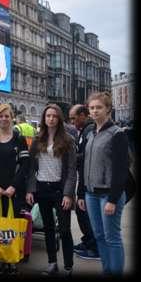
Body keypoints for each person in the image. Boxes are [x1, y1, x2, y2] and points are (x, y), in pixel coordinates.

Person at [78, 92, 130, 276]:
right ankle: (107, 271)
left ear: (108, 109)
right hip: (91, 194)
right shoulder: (91, 133)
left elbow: (121, 169)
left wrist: (113, 199)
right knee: (99, 236)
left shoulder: (117, 134)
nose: (94, 111)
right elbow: (84, 164)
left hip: (109, 194)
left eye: (99, 107)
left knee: (112, 237)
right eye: (91, 108)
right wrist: (82, 193)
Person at [25, 104, 76, 276]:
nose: (51, 119)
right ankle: (52, 263)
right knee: (48, 228)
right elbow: (31, 168)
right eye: (48, 116)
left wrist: (69, 193)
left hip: (60, 190)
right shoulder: (38, 139)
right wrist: (31, 190)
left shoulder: (68, 140)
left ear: (59, 118)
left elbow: (71, 170)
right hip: (42, 188)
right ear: (44, 118)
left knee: (64, 229)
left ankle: (68, 266)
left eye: (54, 116)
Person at [0, 103, 30, 275]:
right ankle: (0, 259)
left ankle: (12, 260)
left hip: (14, 191)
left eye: (7, 116)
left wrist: (13, 187)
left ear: (12, 118)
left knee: (12, 225)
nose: (4, 119)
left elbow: (25, 166)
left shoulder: (19, 139)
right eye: (0, 116)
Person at [68, 104, 99, 260]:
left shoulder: (90, 130)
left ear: (83, 115)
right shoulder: (84, 131)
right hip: (84, 178)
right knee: (81, 212)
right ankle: (88, 241)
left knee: (86, 213)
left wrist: (71, 157)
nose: (72, 122)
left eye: (74, 118)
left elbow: (87, 155)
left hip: (90, 180)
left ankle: (94, 247)